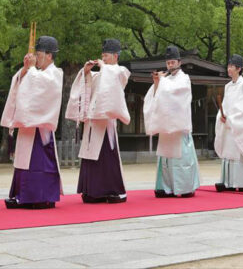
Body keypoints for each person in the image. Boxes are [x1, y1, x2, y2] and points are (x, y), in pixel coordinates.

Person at [66, 38, 131, 203]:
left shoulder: (120, 71)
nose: (104, 58)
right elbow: (87, 86)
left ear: (116, 56)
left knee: (106, 156)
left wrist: (103, 67)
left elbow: (114, 82)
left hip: (105, 121)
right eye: (103, 55)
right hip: (92, 121)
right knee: (90, 155)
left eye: (107, 55)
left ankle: (112, 190)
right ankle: (92, 191)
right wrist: (86, 72)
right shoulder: (100, 73)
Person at [1, 36, 63, 209]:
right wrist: (25, 70)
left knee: (38, 161)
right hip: (28, 125)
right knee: (23, 161)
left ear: (49, 55)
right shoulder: (39, 72)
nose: (36, 57)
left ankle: (39, 196)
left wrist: (32, 69)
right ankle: (22, 195)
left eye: (39, 54)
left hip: (40, 127)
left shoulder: (55, 73)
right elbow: (23, 83)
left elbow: (41, 87)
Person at [143, 46, 200, 198]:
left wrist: (161, 81)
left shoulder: (184, 78)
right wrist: (156, 82)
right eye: (168, 62)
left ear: (179, 62)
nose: (170, 65)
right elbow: (155, 97)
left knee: (181, 158)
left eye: (173, 62)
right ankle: (166, 187)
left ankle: (185, 187)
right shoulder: (165, 79)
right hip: (166, 124)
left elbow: (175, 93)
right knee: (166, 159)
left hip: (179, 125)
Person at [215, 54, 243, 192]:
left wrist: (231, 119)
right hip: (229, 124)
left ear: (239, 68)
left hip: (238, 125)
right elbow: (225, 104)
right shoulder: (228, 86)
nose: (229, 69)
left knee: (238, 150)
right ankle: (228, 182)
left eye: (232, 67)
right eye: (228, 66)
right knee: (229, 151)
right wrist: (221, 116)